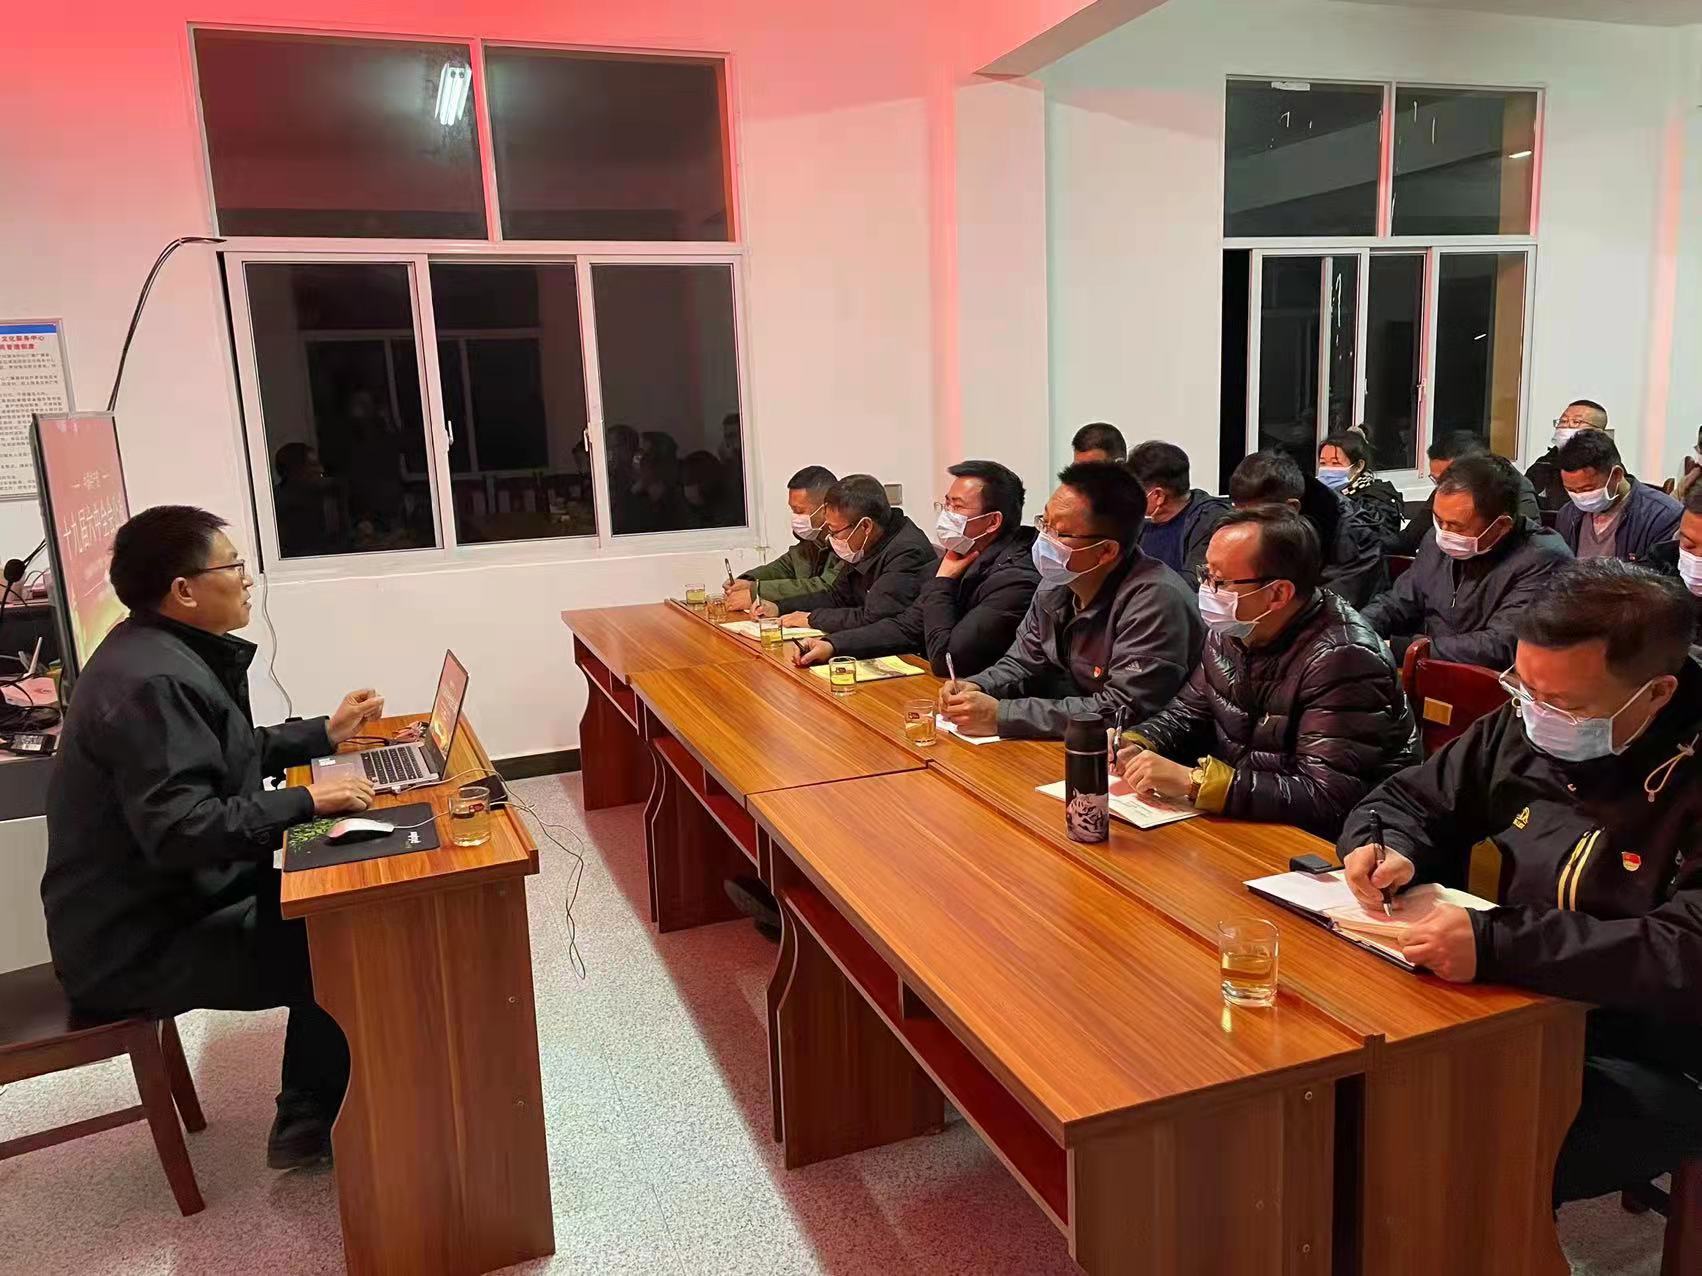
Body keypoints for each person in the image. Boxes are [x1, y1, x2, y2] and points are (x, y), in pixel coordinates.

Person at [1336, 561, 1702, 1209]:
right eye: (1524, 687)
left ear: (1658, 693)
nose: (1538, 714)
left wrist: (1499, 943)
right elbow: (1411, 799)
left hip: (1654, 1049)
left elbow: (1685, 951)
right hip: (1515, 1000)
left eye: (1566, 705)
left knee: (1445, 1153)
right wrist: (1386, 843)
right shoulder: (1528, 717)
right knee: (1347, 1100)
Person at [41, 506, 385, 1170]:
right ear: (185, 590)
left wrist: (323, 735)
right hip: (136, 944)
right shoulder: (152, 681)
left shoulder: (155, 651)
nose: (247, 579)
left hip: (166, 905)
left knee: (337, 900)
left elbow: (222, 754)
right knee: (348, 935)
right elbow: (183, 830)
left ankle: (317, 1105)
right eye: (233, 566)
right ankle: (315, 1121)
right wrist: (308, 799)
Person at [1116, 508, 1417, 838]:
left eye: (1220, 581)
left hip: (1338, 841)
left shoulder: (1344, 657)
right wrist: (1136, 741)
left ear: (1278, 593)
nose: (1207, 590)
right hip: (1252, 813)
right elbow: (1187, 712)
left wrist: (1196, 782)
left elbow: (1328, 797)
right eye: (1205, 574)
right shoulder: (1233, 629)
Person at [939, 462, 1201, 740]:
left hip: (1141, 751)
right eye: (1044, 523)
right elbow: (1023, 662)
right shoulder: (1057, 581)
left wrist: (1003, 715)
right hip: (1072, 737)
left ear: (1106, 551)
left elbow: (1123, 709)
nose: (1044, 540)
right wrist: (977, 687)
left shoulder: (1155, 601)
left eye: (1061, 533)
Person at [792, 460, 1039, 677]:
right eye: (946, 504)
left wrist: (942, 583)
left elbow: (948, 660)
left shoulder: (1015, 580)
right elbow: (906, 627)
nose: (947, 514)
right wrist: (833, 645)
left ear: (993, 521)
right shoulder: (961, 555)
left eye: (957, 507)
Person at [1362, 452, 1571, 667]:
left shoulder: (1543, 559)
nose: (1443, 533)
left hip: (1493, 681)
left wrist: (1403, 648)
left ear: (1501, 526)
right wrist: (1360, 630)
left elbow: (1500, 645)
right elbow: (1399, 600)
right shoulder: (1435, 540)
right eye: (1438, 520)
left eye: (1456, 526)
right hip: (1431, 669)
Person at [770, 474, 936, 633]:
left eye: (834, 531)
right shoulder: (865, 542)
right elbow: (837, 596)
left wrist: (812, 619)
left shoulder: (907, 552)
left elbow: (875, 618)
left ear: (865, 526)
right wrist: (779, 607)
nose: (830, 538)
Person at [1228, 450, 1385, 608]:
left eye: (1256, 516)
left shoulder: (1354, 536)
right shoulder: (1258, 514)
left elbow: (1329, 609)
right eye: (1240, 513)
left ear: (1291, 507)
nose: (1246, 525)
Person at [1391, 431, 1546, 556]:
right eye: (1437, 480)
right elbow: (1411, 538)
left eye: (1447, 477)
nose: (1445, 531)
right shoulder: (1449, 488)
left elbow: (1525, 548)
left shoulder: (1516, 490)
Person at [1554, 429, 1681, 562]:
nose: (1580, 497)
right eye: (1571, 490)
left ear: (1616, 475)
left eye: (1587, 489)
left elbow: (1659, 573)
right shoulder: (1568, 515)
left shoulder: (1662, 517)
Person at [725, 466, 841, 610]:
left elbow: (824, 587)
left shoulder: (847, 544)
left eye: (799, 511)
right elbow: (785, 566)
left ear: (826, 509)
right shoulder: (812, 538)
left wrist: (756, 591)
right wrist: (748, 580)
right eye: (793, 510)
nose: (795, 517)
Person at [1126, 440, 1230, 588]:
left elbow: (1195, 581)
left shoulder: (1210, 520)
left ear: (1158, 496)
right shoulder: (1139, 522)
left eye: (1134, 492)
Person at [1318, 432, 1403, 553]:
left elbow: (1375, 541)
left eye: (1336, 463)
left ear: (1358, 466)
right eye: (1323, 463)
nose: (1328, 470)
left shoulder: (1377, 500)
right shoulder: (1319, 494)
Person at [1526, 399, 1609, 514]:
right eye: (1563, 421)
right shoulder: (1542, 466)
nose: (1566, 426)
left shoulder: (1607, 469)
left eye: (1576, 422)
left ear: (1598, 432)